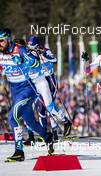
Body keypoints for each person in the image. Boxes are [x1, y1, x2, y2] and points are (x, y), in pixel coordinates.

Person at [0, 28, 54, 162]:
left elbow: (37, 64)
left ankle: (19, 151)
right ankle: (47, 137)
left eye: (1, 41)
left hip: (28, 88)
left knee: (12, 117)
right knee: (29, 120)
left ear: (8, 39)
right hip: (15, 90)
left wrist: (24, 62)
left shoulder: (21, 50)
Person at [24, 36, 60, 145]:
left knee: (48, 107)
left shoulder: (45, 50)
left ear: (37, 45)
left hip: (49, 80)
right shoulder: (28, 53)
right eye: (29, 46)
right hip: (37, 81)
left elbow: (55, 60)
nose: (31, 48)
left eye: (33, 46)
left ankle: (54, 133)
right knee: (33, 108)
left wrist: (43, 55)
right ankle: (35, 135)